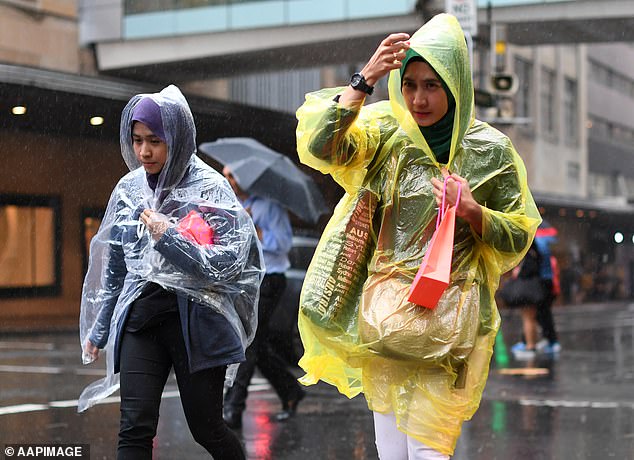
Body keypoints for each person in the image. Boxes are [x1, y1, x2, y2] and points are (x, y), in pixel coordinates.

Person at [295, 13, 540, 459]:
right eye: (410, 85)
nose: (419, 98)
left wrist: (472, 212)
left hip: (451, 326)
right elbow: (322, 147)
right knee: (392, 454)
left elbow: (518, 234)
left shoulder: (491, 151)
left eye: (433, 85)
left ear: (455, 85)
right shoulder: (386, 133)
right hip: (387, 321)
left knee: (429, 453)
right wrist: (365, 78)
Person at [78, 85, 264, 460]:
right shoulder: (130, 190)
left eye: (155, 141)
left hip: (197, 323)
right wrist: (100, 329)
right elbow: (117, 262)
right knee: (134, 426)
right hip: (142, 322)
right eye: (137, 140)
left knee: (206, 427)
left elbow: (227, 265)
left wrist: (169, 237)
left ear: (177, 139)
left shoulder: (210, 189)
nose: (144, 152)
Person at [221, 165, 306, 429]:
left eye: (232, 175)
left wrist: (256, 230)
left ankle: (233, 407)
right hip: (246, 280)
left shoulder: (269, 207)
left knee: (249, 341)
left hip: (270, 279)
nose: (229, 181)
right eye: (225, 176)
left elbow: (283, 243)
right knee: (258, 345)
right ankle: (290, 391)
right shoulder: (234, 204)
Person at [511, 225, 562, 356]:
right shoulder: (544, 247)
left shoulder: (535, 246)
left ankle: (535, 343)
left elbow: (531, 267)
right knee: (538, 314)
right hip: (545, 283)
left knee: (534, 315)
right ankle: (542, 341)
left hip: (538, 284)